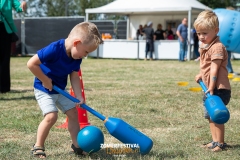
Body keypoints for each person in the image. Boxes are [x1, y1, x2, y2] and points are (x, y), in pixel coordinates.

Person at [27, 22, 103, 158]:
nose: (85, 56)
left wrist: (79, 96)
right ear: (76, 43)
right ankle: (38, 146)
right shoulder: (54, 49)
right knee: (51, 116)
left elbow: (74, 76)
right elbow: (31, 64)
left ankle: (76, 145)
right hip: (43, 88)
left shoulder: (76, 59)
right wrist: (45, 80)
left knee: (74, 113)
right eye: (86, 52)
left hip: (59, 90)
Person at [194, 10, 231, 152]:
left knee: (217, 116)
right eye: (198, 33)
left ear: (216, 30)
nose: (201, 37)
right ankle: (214, 141)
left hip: (218, 88)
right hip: (209, 87)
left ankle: (220, 143)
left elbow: (214, 69)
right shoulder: (206, 46)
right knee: (210, 115)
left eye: (204, 33)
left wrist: (210, 87)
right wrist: (201, 75)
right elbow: (207, 68)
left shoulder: (217, 47)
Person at [0, 0, 27, 93]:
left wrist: (23, 5)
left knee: (4, 59)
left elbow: (19, 8)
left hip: (4, 29)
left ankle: (4, 87)